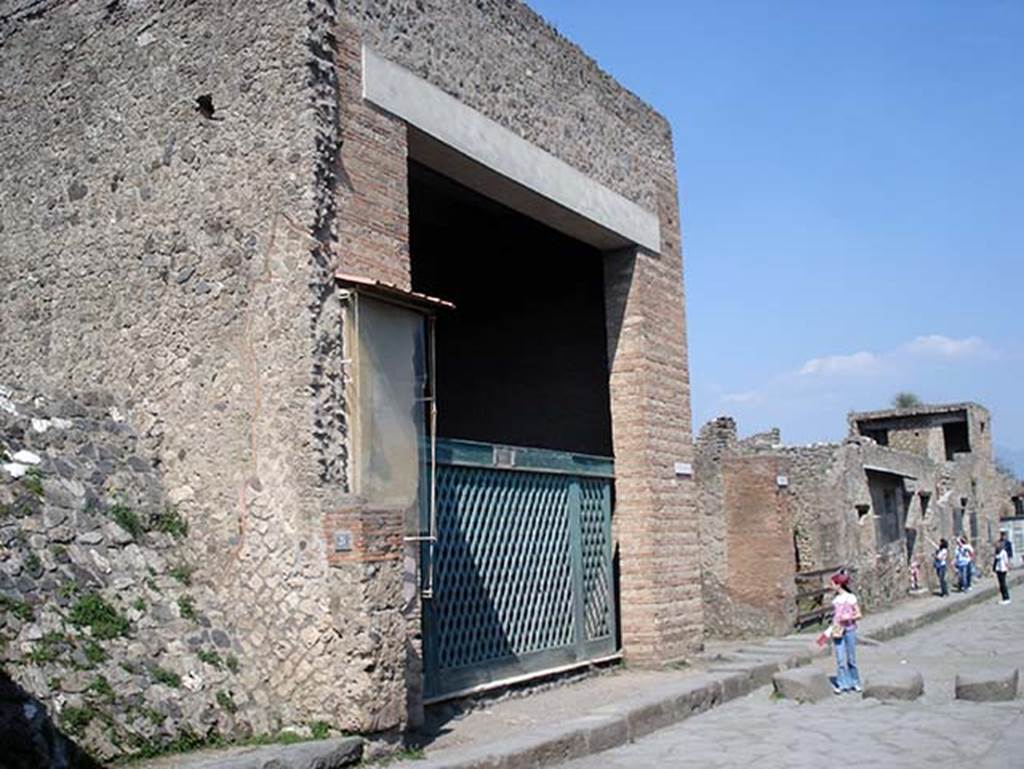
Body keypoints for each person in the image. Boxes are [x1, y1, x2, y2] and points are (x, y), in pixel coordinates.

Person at [829, 570, 862, 694]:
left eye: (832, 583)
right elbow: (835, 617)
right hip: (838, 630)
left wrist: (848, 618)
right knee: (840, 658)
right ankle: (843, 683)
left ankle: (855, 681)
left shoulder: (851, 598)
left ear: (838, 584)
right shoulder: (835, 600)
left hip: (849, 629)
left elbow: (858, 614)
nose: (831, 586)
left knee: (851, 658)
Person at [994, 539, 1011, 604]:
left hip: (1003, 569)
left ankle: (1006, 598)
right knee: (1001, 585)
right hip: (998, 570)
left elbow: (1006, 562)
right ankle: (1003, 598)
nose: (996, 547)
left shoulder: (1004, 552)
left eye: (997, 545)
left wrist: (1008, 570)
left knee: (1003, 584)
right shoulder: (997, 553)